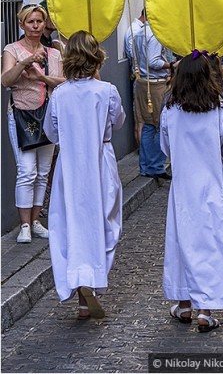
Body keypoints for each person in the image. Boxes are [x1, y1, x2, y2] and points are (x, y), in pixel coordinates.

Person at [160, 52, 223, 332]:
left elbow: (166, 147)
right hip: (212, 180)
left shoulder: (170, 109)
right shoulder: (217, 107)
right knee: (212, 239)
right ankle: (205, 309)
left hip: (183, 184)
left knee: (182, 240)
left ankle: (186, 303)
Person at [43, 31, 126, 319]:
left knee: (71, 223)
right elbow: (118, 122)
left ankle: (81, 291)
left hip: (70, 164)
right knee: (106, 220)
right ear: (96, 58)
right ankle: (92, 278)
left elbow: (51, 132)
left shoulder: (60, 94)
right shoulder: (107, 91)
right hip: (100, 160)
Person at [1, 4, 64, 244]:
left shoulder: (54, 53)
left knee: (43, 172)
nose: (36, 26)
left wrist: (41, 77)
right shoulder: (12, 50)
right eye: (31, 22)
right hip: (21, 115)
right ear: (22, 24)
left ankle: (36, 221)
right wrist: (24, 62)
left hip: (47, 114)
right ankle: (24, 225)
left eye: (39, 21)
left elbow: (62, 82)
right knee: (26, 171)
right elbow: (5, 81)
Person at [133, 10, 172, 179]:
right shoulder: (155, 34)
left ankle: (146, 166)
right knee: (158, 125)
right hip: (156, 85)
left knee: (147, 125)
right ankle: (155, 166)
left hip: (142, 82)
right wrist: (172, 65)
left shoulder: (139, 32)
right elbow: (154, 61)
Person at [124, 10, 146, 147]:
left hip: (142, 78)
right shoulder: (135, 31)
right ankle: (143, 151)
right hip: (141, 78)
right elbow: (136, 57)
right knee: (141, 119)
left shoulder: (139, 30)